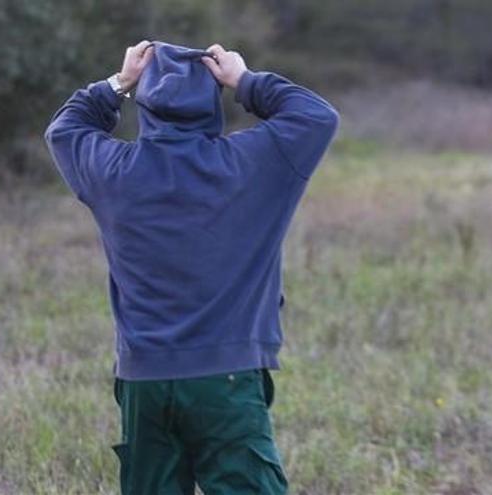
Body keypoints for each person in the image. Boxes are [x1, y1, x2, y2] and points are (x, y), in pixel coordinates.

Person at [44, 40, 339, 494]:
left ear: (147, 104)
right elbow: (316, 117)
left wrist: (117, 83)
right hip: (228, 379)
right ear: (211, 102)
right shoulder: (252, 163)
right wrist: (245, 80)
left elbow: (64, 131)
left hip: (144, 380)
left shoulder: (114, 170)